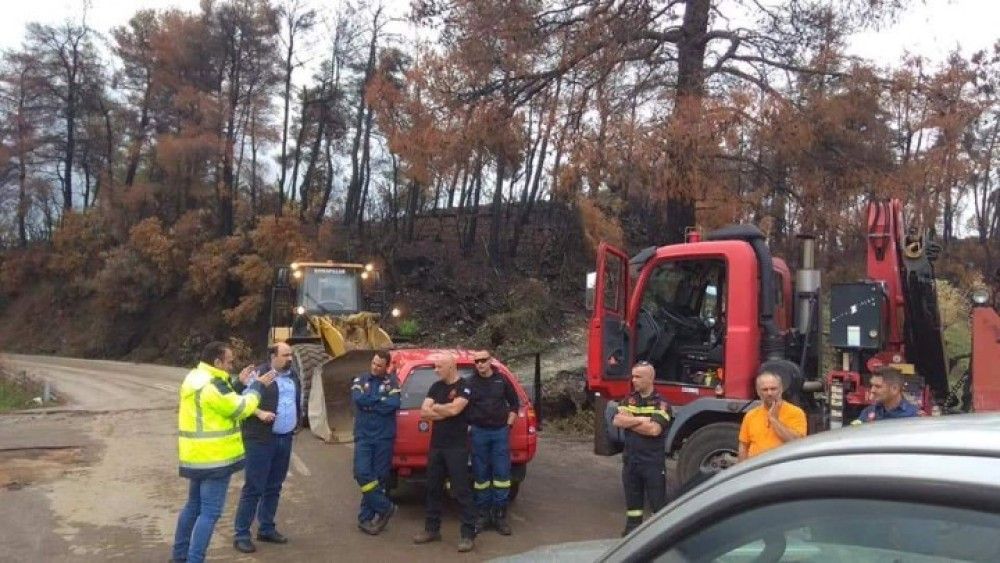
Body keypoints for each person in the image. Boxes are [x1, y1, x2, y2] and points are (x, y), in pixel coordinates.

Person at [171, 341, 276, 563]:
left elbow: (220, 404)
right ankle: (195, 559)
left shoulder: (197, 377)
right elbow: (240, 408)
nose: (231, 366)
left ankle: (179, 556)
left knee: (193, 506)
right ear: (217, 362)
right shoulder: (213, 385)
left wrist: (239, 383)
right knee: (210, 513)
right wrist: (257, 386)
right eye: (229, 362)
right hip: (214, 459)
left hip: (196, 456)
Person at [232, 342, 301, 553]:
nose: (289, 358)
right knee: (254, 487)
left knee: (274, 486)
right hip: (261, 439)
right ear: (273, 356)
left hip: (285, 438)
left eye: (291, 355)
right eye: (285, 355)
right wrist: (260, 413)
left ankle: (266, 527)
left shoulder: (293, 376)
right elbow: (242, 401)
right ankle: (241, 534)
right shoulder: (259, 374)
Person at [413, 353, 477, 553]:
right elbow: (424, 412)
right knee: (433, 488)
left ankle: (468, 534)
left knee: (461, 490)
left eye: (439, 366)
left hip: (457, 447)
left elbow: (455, 411)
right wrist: (444, 409)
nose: (435, 370)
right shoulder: (436, 387)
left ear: (451, 366)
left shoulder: (465, 386)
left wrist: (438, 409)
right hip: (437, 446)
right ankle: (432, 529)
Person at [612, 361, 672, 536]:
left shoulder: (662, 404)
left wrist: (630, 421)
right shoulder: (629, 399)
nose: (633, 380)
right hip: (631, 462)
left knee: (658, 507)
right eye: (633, 376)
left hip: (652, 464)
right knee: (633, 509)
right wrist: (643, 420)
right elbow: (617, 420)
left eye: (638, 377)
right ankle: (631, 535)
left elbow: (654, 430)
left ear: (650, 379)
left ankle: (659, 540)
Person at [465, 349, 519, 536]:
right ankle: (483, 515)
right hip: (479, 433)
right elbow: (462, 406)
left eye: (483, 360)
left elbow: (514, 404)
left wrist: (508, 425)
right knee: (481, 476)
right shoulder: (470, 383)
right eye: (477, 361)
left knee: (502, 475)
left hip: (499, 433)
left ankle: (500, 515)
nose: (480, 364)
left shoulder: (501, 380)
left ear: (490, 361)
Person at [351, 350, 401, 535]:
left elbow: (394, 403)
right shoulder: (360, 380)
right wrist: (380, 401)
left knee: (379, 478)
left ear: (386, 367)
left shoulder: (393, 382)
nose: (374, 367)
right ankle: (386, 507)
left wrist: (370, 404)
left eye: (379, 365)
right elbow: (358, 399)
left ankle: (365, 518)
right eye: (373, 363)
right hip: (364, 436)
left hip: (384, 438)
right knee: (362, 473)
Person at [738, 364, 807, 462]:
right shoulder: (751, 415)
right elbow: (743, 447)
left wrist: (774, 419)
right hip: (756, 470)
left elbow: (797, 443)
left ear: (781, 389)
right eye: (765, 389)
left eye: (773, 389)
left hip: (781, 470)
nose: (769, 393)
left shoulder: (796, 413)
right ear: (758, 392)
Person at [852, 367, 920, 424]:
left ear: (895, 389)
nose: (872, 390)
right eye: (872, 386)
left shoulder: (914, 415)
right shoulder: (868, 412)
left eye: (878, 386)